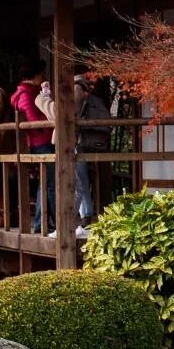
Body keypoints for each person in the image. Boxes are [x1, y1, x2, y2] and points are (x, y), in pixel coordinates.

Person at [9, 63, 54, 235]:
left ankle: (44, 223)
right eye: (41, 75)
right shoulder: (26, 94)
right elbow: (33, 119)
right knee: (47, 182)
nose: (42, 78)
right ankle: (42, 223)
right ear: (35, 76)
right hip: (39, 141)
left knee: (47, 182)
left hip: (39, 141)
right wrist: (49, 120)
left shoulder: (27, 92)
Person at [72, 73, 110, 232]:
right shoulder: (95, 101)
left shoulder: (78, 95)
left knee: (79, 180)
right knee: (82, 179)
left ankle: (84, 214)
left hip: (80, 142)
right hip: (91, 142)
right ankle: (86, 214)